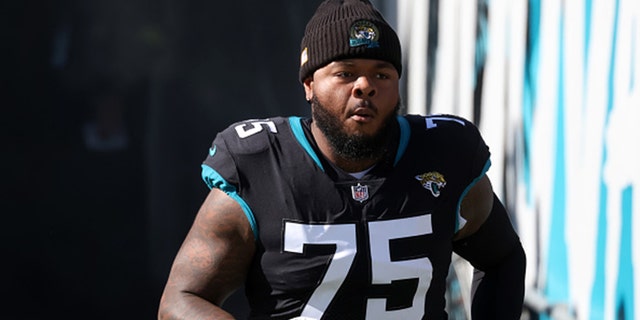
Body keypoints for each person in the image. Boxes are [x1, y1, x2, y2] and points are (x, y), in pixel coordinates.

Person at [158, 0, 526, 319]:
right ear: (309, 84)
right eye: (345, 73)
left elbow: (503, 258)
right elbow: (182, 300)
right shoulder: (261, 165)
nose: (365, 86)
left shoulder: (444, 153)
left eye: (381, 74)